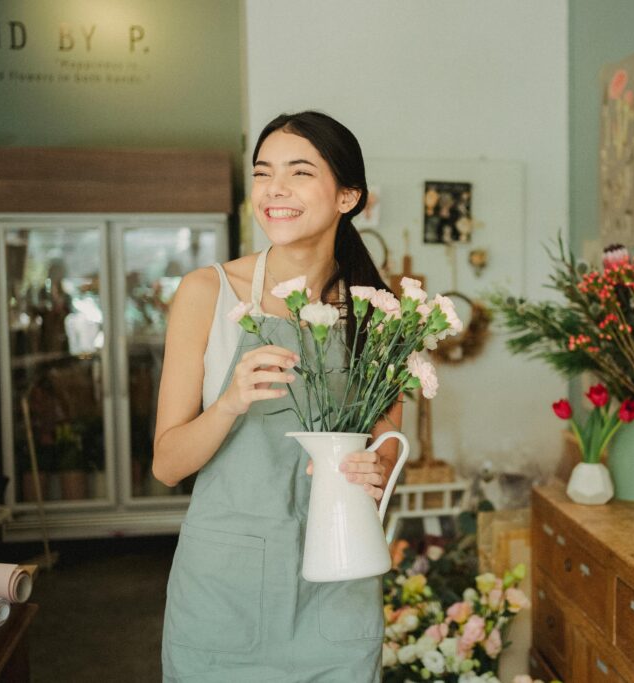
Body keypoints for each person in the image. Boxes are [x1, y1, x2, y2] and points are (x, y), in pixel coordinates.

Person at [152, 110, 398, 681]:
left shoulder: (377, 312)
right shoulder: (207, 293)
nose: (274, 190)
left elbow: (387, 449)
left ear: (348, 196)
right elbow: (167, 465)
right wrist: (231, 401)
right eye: (263, 173)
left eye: (299, 172)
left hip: (338, 582)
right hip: (222, 595)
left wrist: (376, 468)